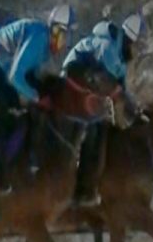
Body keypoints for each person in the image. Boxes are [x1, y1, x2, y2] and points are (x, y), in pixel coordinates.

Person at [0, 4, 77, 197]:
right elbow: (16, 77)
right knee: (4, 116)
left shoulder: (45, 46)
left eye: (68, 38)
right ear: (55, 30)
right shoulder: (40, 39)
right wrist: (37, 97)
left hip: (7, 63)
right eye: (64, 35)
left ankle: (26, 161)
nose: (65, 42)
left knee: (25, 110)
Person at [62, 11, 147, 206]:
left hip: (89, 86)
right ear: (130, 41)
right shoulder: (108, 48)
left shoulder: (120, 61)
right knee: (94, 128)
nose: (137, 53)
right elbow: (105, 82)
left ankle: (93, 182)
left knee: (104, 128)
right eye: (137, 47)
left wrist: (135, 114)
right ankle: (81, 188)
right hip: (72, 81)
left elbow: (121, 93)